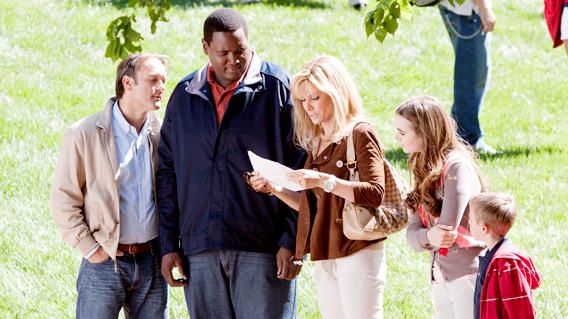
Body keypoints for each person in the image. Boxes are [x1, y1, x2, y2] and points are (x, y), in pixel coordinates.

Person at [157, 8, 306, 319]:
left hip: (264, 249)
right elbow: (167, 174)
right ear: (205, 47)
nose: (233, 60)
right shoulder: (184, 96)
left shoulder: (279, 89)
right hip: (199, 250)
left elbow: (302, 168)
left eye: (241, 50)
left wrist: (292, 241)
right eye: (223, 52)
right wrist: (169, 245)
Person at [251, 55, 388, 319]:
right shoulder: (317, 140)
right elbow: (310, 205)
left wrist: (324, 181)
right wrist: (275, 189)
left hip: (357, 250)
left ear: (336, 92)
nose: (308, 106)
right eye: (303, 100)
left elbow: (375, 193)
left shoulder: (361, 132)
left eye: (315, 97)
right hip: (325, 252)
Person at [50, 52, 170, 319]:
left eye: (163, 80)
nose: (161, 87)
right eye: (153, 80)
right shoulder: (83, 133)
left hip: (152, 261)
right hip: (104, 264)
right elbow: (63, 200)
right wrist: (91, 250)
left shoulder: (162, 134)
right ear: (128, 83)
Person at [397, 95, 488, 319]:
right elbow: (412, 233)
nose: (396, 138)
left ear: (424, 133)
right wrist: (428, 235)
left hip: (467, 277)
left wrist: (425, 236)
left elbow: (446, 232)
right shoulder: (425, 170)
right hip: (441, 276)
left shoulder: (456, 168)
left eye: (402, 132)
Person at [469, 192, 542, 319]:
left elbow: (521, 311)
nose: (468, 222)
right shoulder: (490, 255)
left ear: (483, 228)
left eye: (471, 219)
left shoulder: (507, 264)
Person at [438, 0, 498, 153]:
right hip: (467, 12)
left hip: (463, 11)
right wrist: (484, 8)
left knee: (474, 73)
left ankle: (455, 135)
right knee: (471, 76)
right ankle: (466, 139)